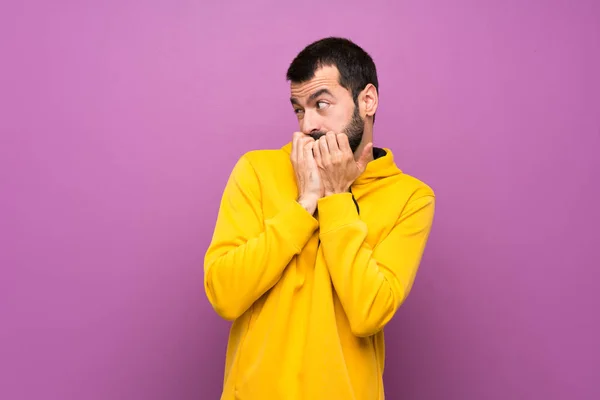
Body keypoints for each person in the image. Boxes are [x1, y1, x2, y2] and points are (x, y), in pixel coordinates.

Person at [204, 37, 436, 400]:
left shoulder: (411, 198)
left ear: (368, 100)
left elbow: (369, 313)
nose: (307, 124)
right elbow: (225, 295)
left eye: (321, 104)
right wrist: (305, 202)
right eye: (299, 109)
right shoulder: (257, 170)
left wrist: (337, 197)